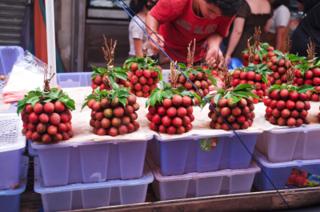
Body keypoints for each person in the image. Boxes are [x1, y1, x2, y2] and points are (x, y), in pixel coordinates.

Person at [146, 0, 242, 66]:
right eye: (210, 10)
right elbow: (153, 16)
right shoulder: (176, 2)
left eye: (219, 15)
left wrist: (214, 46)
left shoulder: (227, 10)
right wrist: (153, 34)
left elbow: (218, 32)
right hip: (165, 56)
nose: (213, 17)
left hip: (196, 59)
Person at [225, 0, 272, 64]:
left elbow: (237, 31)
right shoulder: (268, 4)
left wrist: (228, 53)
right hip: (258, 48)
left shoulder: (244, 4)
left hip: (242, 47)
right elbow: (267, 28)